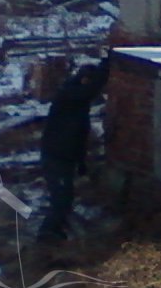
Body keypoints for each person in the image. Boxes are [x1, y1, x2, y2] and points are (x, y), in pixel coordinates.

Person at [38, 55, 110, 242]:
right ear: (84, 80)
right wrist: (106, 67)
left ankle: (55, 233)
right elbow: (89, 91)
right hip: (55, 156)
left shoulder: (78, 103)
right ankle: (46, 235)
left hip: (65, 156)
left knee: (66, 197)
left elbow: (78, 136)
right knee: (61, 198)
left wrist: (81, 162)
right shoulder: (69, 94)